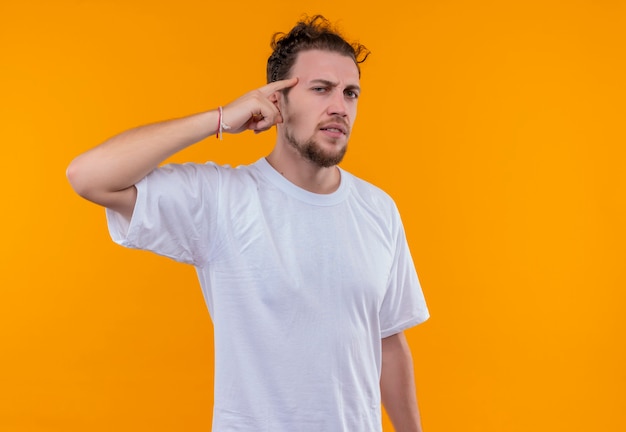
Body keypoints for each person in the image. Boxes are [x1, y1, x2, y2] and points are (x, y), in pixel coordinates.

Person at [67, 14, 429, 432]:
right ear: (277, 100)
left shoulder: (378, 209)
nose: (339, 107)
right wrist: (221, 118)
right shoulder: (223, 199)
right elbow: (88, 176)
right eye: (320, 89)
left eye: (351, 93)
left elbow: (388, 341)